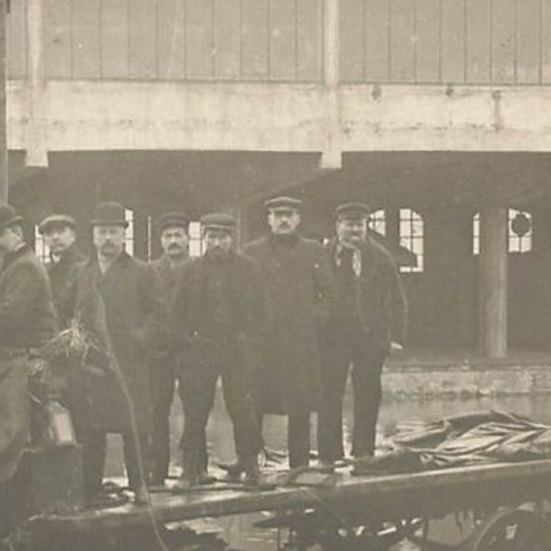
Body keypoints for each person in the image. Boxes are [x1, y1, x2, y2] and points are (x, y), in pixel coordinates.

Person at [68, 201, 167, 504]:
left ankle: (140, 486)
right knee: (91, 429)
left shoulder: (142, 271)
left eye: (113, 232)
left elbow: (159, 314)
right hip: (92, 365)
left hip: (129, 363)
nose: (108, 239)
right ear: (93, 236)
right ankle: (92, 489)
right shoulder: (80, 272)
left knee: (133, 426)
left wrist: (140, 338)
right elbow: (60, 309)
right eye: (102, 232)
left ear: (124, 236)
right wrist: (69, 336)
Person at [173, 211, 266, 486]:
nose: (217, 243)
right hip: (200, 348)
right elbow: (176, 315)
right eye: (211, 237)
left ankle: (251, 467)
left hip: (238, 348)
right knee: (196, 410)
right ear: (203, 238)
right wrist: (189, 343)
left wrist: (252, 344)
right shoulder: (189, 270)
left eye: (222, 237)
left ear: (232, 239)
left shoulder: (250, 269)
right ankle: (191, 470)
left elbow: (263, 312)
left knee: (243, 408)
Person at [317, 202, 408, 465]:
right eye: (349, 224)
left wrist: (396, 337)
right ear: (338, 226)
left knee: (368, 393)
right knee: (329, 393)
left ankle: (363, 452)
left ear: (366, 226)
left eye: (360, 224)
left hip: (370, 336)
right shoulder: (323, 254)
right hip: (332, 336)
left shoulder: (380, 256)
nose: (355, 229)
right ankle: (329, 455)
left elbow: (397, 298)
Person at [242, 195, 326, 472]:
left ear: (298, 219)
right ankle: (250, 462)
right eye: (278, 214)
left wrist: (311, 320)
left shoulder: (314, 251)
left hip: (300, 344)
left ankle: (299, 465)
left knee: (300, 406)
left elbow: (328, 295)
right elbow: (240, 296)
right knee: (254, 402)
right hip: (263, 343)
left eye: (289, 214)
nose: (284, 219)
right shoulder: (252, 252)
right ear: (269, 220)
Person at [0, 204, 58, 360]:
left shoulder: (26, 266)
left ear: (17, 232)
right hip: (13, 348)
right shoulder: (12, 263)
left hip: (26, 352)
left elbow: (11, 315)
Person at [147, 211, 194, 486]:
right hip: (160, 350)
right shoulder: (151, 270)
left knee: (195, 409)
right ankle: (157, 471)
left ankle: (194, 469)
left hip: (190, 349)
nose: (173, 241)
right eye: (168, 236)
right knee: (157, 410)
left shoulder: (198, 268)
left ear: (188, 239)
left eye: (178, 236)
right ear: (161, 241)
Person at [38, 213, 87, 329]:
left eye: (60, 231)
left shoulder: (85, 266)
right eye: (49, 233)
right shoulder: (41, 270)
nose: (55, 237)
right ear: (44, 240)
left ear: (73, 236)